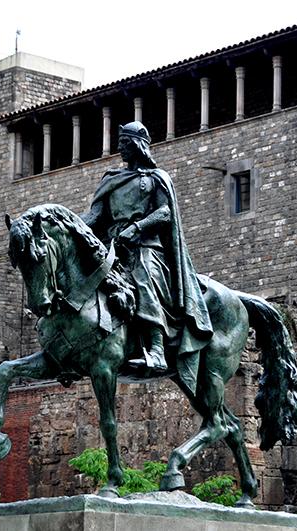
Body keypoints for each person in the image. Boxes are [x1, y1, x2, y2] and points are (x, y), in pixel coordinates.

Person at [82, 121, 212, 387]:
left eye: (124, 143)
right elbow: (95, 216)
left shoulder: (155, 178)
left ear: (138, 145)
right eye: (119, 143)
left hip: (145, 245)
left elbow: (164, 213)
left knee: (143, 277)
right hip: (112, 245)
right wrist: (67, 224)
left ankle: (156, 349)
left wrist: (137, 228)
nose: (120, 147)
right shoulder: (111, 179)